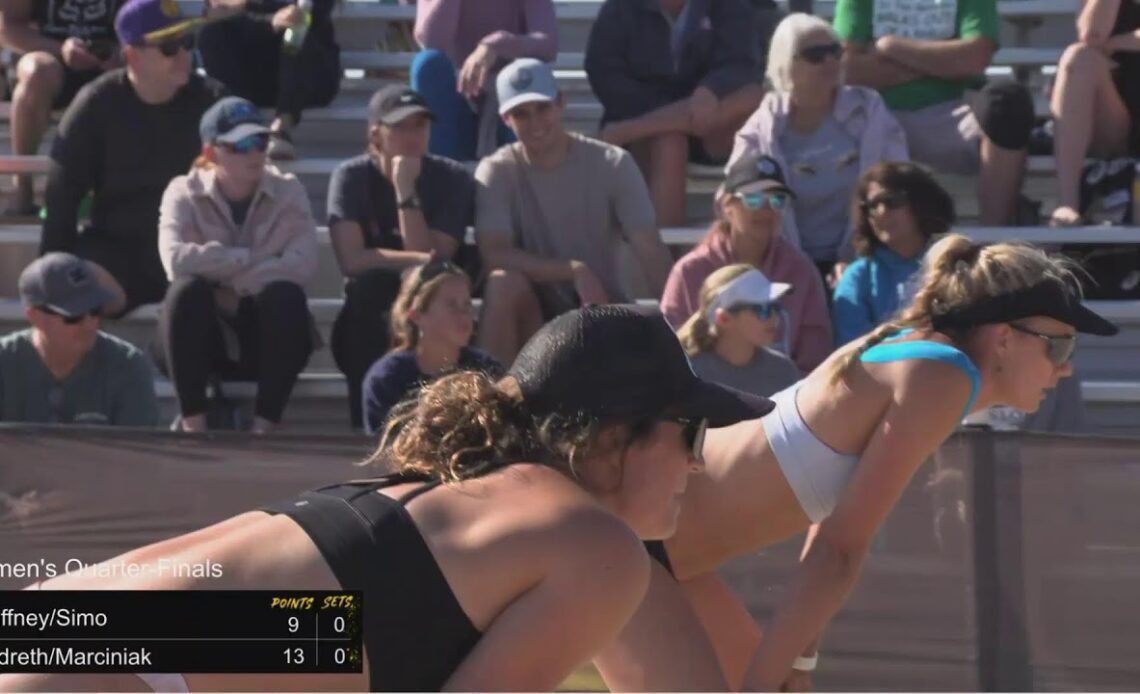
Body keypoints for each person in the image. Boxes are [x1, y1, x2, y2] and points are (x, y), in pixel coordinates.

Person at [0, 304, 775, 693]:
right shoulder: (595, 545)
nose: (699, 465)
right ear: (614, 436)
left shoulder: (457, 498)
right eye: (691, 434)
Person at [594, 235, 1119, 693]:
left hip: (656, 550)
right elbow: (838, 551)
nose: (1067, 367)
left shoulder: (921, 357)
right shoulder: (944, 376)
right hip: (631, 546)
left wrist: (796, 658)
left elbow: (830, 534)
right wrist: (762, 681)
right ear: (1004, 337)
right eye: (1060, 344)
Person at [475, 58, 675, 365]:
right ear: (506, 120)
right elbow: (494, 254)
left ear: (561, 103)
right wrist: (573, 269)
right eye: (521, 114)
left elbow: (648, 247)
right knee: (503, 284)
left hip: (602, 309)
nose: (535, 122)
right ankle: (488, 406)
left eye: (542, 108)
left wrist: (680, 327)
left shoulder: (612, 163)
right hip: (535, 319)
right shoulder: (497, 171)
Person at [38, 0, 225, 318]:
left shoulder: (213, 102)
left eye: (186, 43)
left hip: (194, 248)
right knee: (75, 292)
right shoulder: (96, 104)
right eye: (168, 47)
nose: (183, 55)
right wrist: (50, 276)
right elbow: (62, 197)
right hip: (118, 249)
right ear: (132, 57)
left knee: (213, 296)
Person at [156, 96, 318, 434]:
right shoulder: (181, 191)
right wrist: (251, 258)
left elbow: (303, 265)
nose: (255, 152)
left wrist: (234, 284)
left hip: (260, 334)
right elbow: (175, 261)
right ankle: (193, 426)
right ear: (212, 153)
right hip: (205, 334)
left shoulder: (289, 190)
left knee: (286, 297)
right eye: (242, 144)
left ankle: (264, 428)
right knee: (186, 293)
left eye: (260, 140)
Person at [327, 85, 475, 430]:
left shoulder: (451, 177)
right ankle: (361, 430)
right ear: (375, 133)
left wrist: (405, 190)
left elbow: (435, 267)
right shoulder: (351, 176)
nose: (413, 136)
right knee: (371, 289)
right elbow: (350, 260)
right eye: (401, 127)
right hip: (368, 314)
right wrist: (414, 257)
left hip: (431, 309)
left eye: (420, 126)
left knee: (435, 299)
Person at [730, 13, 908, 278]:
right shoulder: (764, 125)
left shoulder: (869, 111)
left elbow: (899, 183)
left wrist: (856, 259)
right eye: (815, 55)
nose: (830, 61)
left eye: (835, 52)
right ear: (785, 64)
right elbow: (731, 197)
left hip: (864, 260)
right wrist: (789, 267)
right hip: (782, 264)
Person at [832, 0, 1034, 225]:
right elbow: (845, 69)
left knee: (1007, 102)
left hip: (952, 118)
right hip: (875, 117)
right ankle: (857, 244)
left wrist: (891, 47)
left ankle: (995, 239)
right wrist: (941, 60)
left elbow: (975, 57)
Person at [585, 0, 766, 227]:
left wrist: (711, 87)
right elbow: (604, 74)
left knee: (752, 95)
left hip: (709, 126)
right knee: (670, 142)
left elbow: (741, 63)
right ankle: (668, 255)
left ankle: (628, 131)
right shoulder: (620, 8)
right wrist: (677, 109)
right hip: (646, 125)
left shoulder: (728, 5)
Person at [661, 153, 832, 372]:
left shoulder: (801, 271)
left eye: (777, 199)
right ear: (727, 206)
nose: (766, 209)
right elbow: (669, 351)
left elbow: (814, 359)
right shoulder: (689, 271)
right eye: (753, 199)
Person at [0, 252, 157, 426]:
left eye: (95, 311)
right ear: (35, 317)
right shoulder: (4, 361)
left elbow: (137, 450)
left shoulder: (128, 365)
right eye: (73, 316)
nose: (90, 324)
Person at [0, 0, 125, 215]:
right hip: (47, 58)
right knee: (38, 70)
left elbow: (148, 19)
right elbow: (8, 29)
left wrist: (123, 51)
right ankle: (23, 188)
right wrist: (61, 49)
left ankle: (123, 190)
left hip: (111, 63)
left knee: (142, 65)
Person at [362, 260, 502, 434]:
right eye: (452, 305)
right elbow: (384, 449)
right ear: (417, 315)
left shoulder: (487, 370)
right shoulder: (388, 378)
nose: (464, 315)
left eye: (467, 305)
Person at [410, 0, 556, 160]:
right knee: (428, 62)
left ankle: (520, 175)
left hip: (509, 99)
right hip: (454, 103)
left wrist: (495, 46)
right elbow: (433, 41)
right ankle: (441, 177)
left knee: (524, 79)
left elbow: (548, 43)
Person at [197, 0, 342, 160]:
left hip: (308, 75)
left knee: (297, 28)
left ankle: (281, 130)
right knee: (211, 33)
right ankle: (238, 122)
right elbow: (216, 11)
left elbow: (314, 9)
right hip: (254, 75)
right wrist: (270, 20)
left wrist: (244, 6)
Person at [833, 162, 955, 345]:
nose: (881, 213)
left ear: (922, 203)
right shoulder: (858, 277)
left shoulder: (954, 264)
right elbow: (852, 351)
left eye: (892, 201)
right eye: (872, 206)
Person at [1048, 0, 1140, 225]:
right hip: (1118, 115)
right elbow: (1092, 35)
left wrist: (1120, 41)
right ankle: (1068, 204)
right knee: (1078, 58)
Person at [677, 264, 801, 397]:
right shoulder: (685, 374)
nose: (774, 317)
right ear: (724, 318)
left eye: (775, 306)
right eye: (762, 309)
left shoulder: (784, 371)